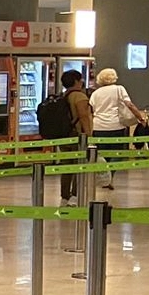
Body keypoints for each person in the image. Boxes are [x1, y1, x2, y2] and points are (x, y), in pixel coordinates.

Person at [88, 68, 147, 190]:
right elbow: (129, 105)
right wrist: (140, 117)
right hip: (116, 125)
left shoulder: (96, 93)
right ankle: (110, 176)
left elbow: (91, 110)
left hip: (98, 126)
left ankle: (105, 175)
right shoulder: (119, 89)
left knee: (102, 154)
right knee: (117, 153)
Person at [58, 69, 92, 203]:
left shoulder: (63, 95)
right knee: (79, 166)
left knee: (66, 167)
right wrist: (89, 135)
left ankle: (64, 197)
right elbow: (83, 116)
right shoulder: (80, 96)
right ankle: (75, 196)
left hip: (65, 135)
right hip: (77, 136)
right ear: (77, 81)